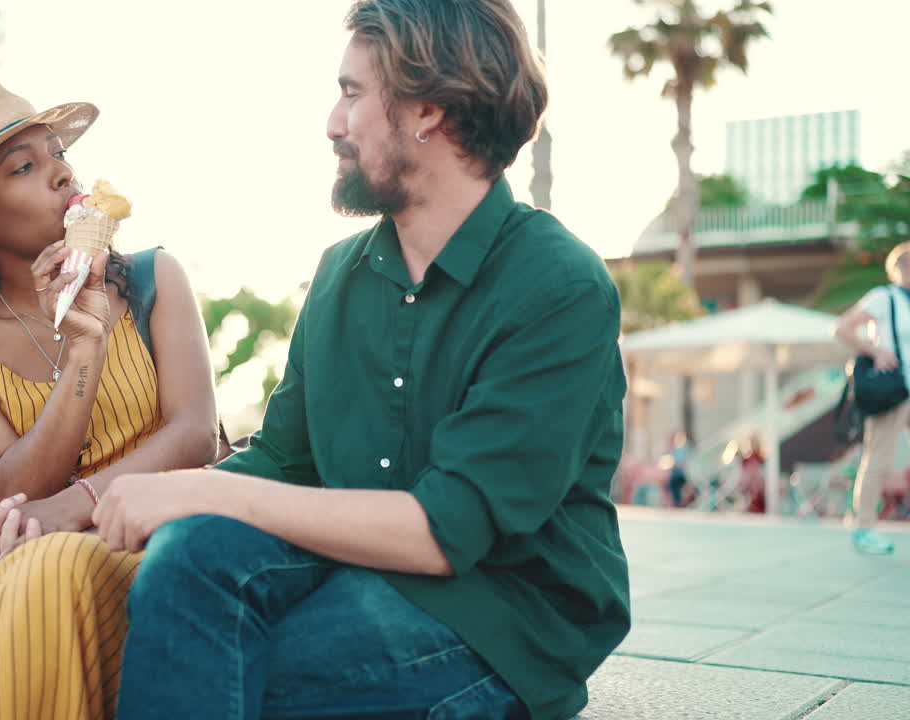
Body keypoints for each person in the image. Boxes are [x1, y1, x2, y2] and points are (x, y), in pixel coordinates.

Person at [81, 2, 630, 718]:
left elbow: (447, 530)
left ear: (427, 108)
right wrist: (90, 503)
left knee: (214, 667)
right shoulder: (340, 273)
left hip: (502, 615)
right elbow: (284, 460)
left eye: (351, 92)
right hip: (353, 567)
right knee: (187, 561)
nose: (333, 124)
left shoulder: (558, 285)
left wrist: (199, 491)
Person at [0, 75, 217, 719]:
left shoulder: (152, 279)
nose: (59, 174)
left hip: (148, 525)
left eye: (58, 154)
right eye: (24, 167)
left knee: (49, 586)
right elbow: (17, 486)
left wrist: (76, 505)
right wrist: (83, 349)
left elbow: (194, 431)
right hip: (14, 540)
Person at [834, 241, 910, 555]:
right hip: (893, 391)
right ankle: (863, 528)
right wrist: (877, 352)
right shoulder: (884, 297)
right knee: (878, 458)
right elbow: (842, 328)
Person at [666, 430, 691, 507]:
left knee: (674, 481)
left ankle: (679, 503)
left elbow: (687, 462)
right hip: (676, 473)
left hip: (685, 474)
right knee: (671, 482)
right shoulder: (674, 450)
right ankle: (677, 502)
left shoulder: (687, 449)